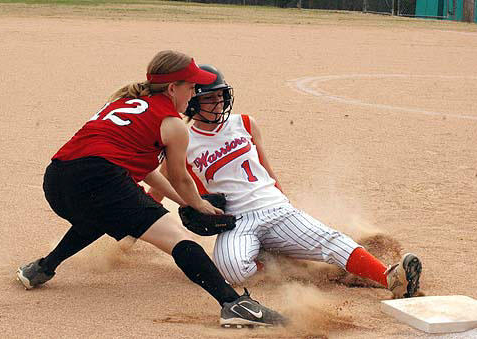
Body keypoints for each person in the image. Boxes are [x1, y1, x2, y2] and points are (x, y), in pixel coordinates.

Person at [16, 51, 286, 328]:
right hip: (101, 180)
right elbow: (181, 178)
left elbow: (146, 171)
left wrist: (186, 201)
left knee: (103, 214)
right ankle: (233, 304)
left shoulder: (125, 102)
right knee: (180, 240)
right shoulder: (173, 125)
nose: (194, 93)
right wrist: (198, 204)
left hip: (56, 181)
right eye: (191, 86)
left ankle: (41, 268)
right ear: (172, 88)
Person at [148, 64, 423, 300]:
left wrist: (286, 205)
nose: (219, 103)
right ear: (193, 101)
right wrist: (141, 222)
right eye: (210, 98)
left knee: (333, 241)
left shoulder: (244, 123)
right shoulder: (183, 138)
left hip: (274, 207)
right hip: (234, 220)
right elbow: (161, 179)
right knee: (231, 270)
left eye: (221, 96)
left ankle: (392, 280)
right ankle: (276, 261)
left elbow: (268, 171)